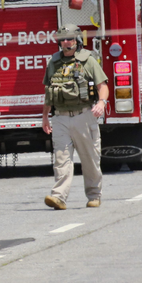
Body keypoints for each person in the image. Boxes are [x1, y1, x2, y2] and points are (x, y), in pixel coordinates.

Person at [41, 24, 109, 210]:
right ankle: (59, 197)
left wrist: (101, 103)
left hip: (83, 116)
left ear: (77, 40)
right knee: (61, 159)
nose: (66, 42)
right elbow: (49, 92)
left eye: (69, 39)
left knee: (90, 160)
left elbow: (102, 86)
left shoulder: (88, 61)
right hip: (60, 118)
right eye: (62, 39)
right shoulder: (53, 62)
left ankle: (94, 195)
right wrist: (45, 116)